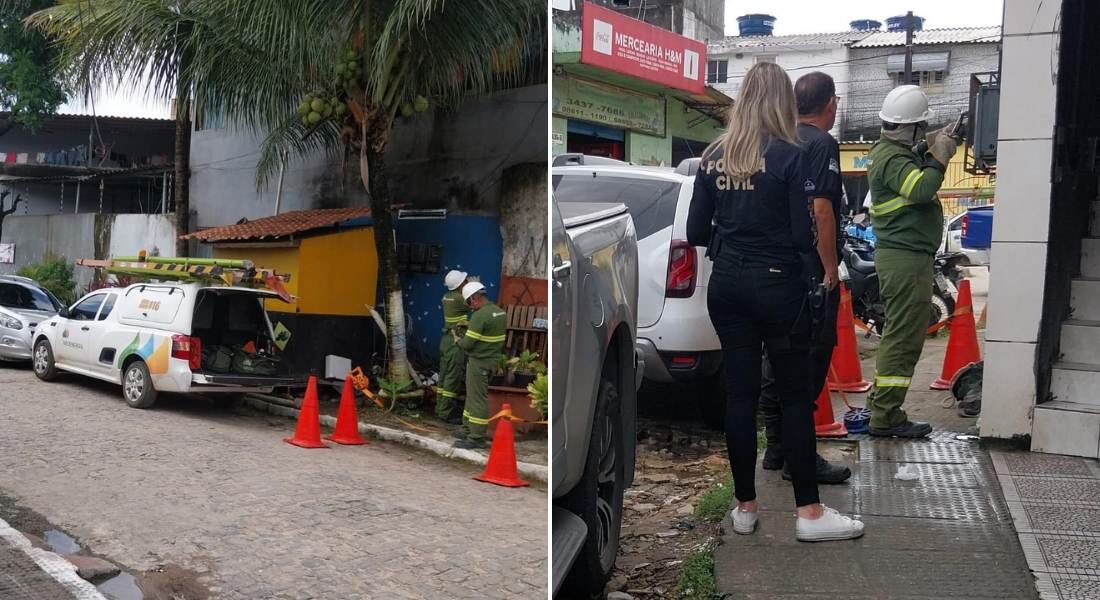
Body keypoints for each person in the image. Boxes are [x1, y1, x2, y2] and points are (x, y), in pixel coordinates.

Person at [687, 62, 863, 542]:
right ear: (783, 101)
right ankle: (809, 513)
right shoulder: (790, 154)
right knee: (791, 398)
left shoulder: (714, 156)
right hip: (779, 286)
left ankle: (744, 507)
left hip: (726, 286)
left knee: (739, 397)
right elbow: (799, 234)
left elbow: (695, 232)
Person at [759, 71, 850, 485]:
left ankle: (777, 450)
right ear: (830, 104)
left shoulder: (777, 140)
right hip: (810, 274)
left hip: (777, 272)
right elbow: (822, 209)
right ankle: (800, 458)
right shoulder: (821, 143)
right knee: (810, 362)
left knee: (776, 363)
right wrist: (830, 268)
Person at [865, 84, 959, 438]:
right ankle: (886, 415)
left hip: (904, 257)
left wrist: (927, 147)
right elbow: (920, 188)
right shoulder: (892, 159)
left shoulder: (889, 151)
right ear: (914, 127)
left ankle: (883, 406)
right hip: (905, 259)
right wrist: (939, 157)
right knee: (904, 338)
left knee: (900, 335)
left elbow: (911, 170)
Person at [452, 281, 507, 450]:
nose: (470, 306)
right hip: (491, 360)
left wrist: (458, 340)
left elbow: (468, 344)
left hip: (479, 362)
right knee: (473, 396)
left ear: (475, 298)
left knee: (477, 400)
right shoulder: (499, 312)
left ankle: (476, 438)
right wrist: (471, 326)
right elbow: (487, 331)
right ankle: (467, 428)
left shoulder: (479, 316)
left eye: (469, 302)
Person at [435, 269, 469, 424]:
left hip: (446, 339)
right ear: (460, 284)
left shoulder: (446, 297)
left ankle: (439, 408)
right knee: (452, 375)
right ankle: (446, 412)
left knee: (443, 374)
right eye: (465, 281)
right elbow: (476, 303)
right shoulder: (459, 299)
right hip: (456, 340)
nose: (467, 282)